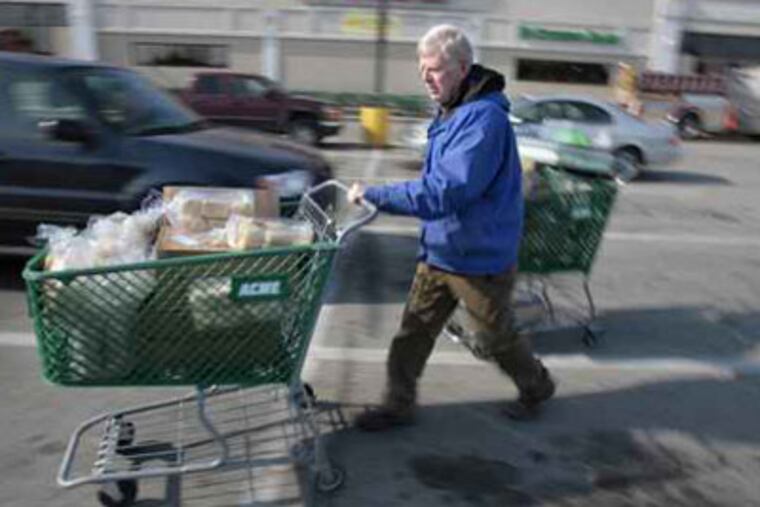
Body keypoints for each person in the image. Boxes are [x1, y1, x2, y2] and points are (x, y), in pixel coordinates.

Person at [347, 24, 555, 431]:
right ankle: (398, 404)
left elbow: (446, 191)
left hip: (478, 258)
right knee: (413, 332)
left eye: (436, 69)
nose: (427, 77)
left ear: (463, 68)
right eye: (423, 69)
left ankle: (536, 385)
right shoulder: (452, 110)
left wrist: (378, 194)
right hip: (441, 249)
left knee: (495, 338)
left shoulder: (483, 121)